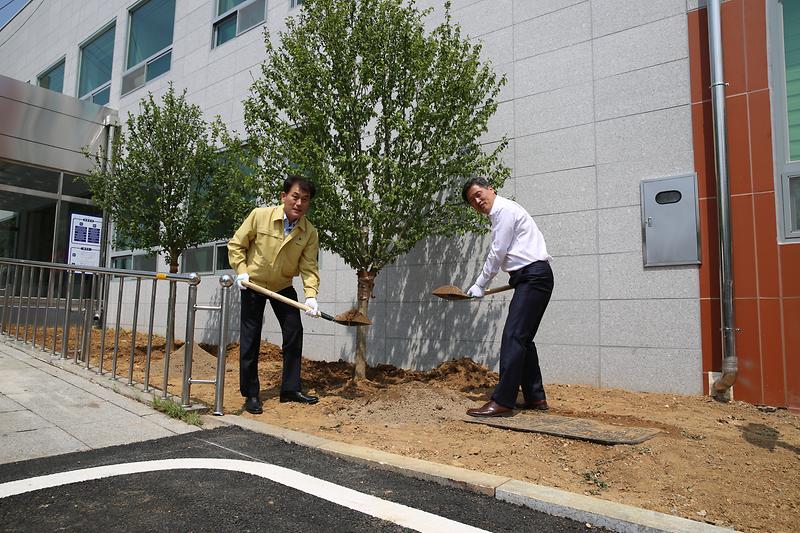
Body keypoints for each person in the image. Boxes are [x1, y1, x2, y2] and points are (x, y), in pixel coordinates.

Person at [228, 175, 322, 414]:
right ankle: (251, 394)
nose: (299, 203)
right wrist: (241, 271)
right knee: (251, 338)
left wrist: (311, 296)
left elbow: (309, 267)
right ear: (284, 197)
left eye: (305, 199)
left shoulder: (308, 232)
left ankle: (290, 389)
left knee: (294, 332)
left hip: (282, 286)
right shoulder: (260, 216)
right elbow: (236, 244)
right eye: (295, 197)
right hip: (254, 284)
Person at [462, 177, 554, 417]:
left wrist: (480, 284)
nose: (478, 201)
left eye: (479, 194)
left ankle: (503, 401)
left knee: (513, 337)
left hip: (534, 277)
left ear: (491, 190)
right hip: (531, 278)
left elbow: (497, 252)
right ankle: (536, 397)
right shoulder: (503, 212)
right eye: (473, 200)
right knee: (523, 339)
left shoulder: (503, 210)